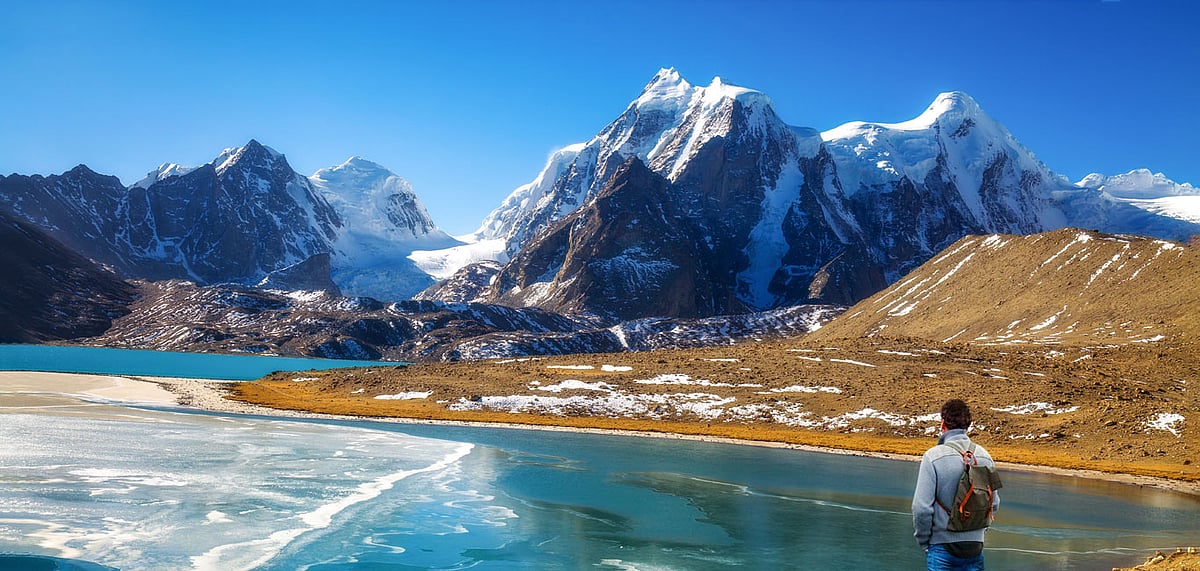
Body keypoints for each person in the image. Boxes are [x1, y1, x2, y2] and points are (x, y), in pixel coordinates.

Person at [912, 399, 1000, 570]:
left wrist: (924, 542)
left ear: (943, 424)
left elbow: (921, 508)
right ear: (968, 425)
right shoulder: (985, 456)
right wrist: (978, 533)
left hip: (942, 546)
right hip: (975, 547)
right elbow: (994, 503)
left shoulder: (933, 456)